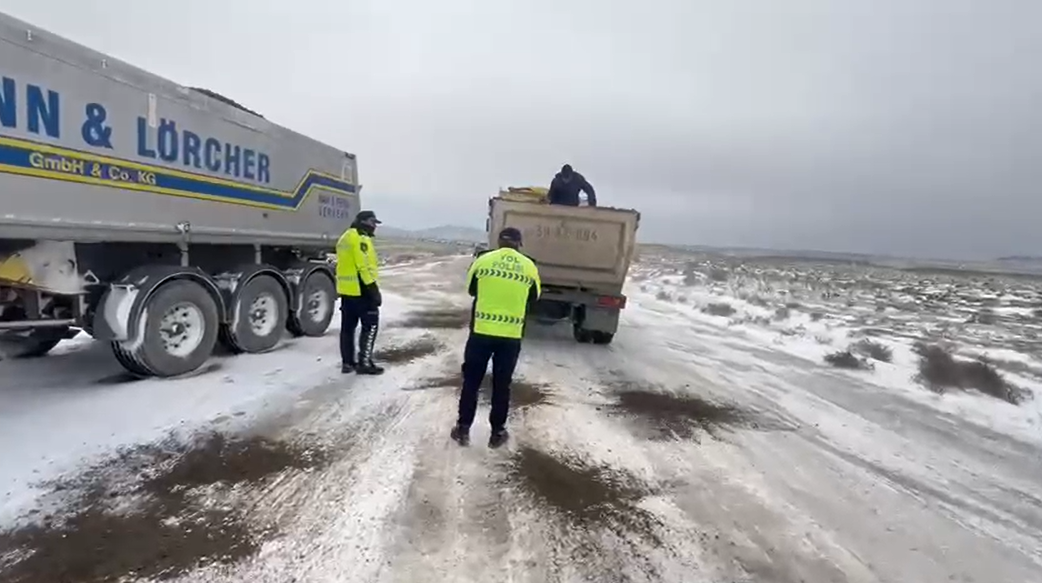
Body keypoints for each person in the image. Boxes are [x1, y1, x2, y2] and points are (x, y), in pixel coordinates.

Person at [451, 227, 541, 448]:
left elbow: (472, 290)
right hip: (510, 337)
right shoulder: (529, 266)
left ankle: (463, 429)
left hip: (481, 332)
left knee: (471, 382)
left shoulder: (483, 260)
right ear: (519, 244)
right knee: (502, 385)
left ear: (499, 242)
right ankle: (497, 433)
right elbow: (534, 297)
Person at [335, 210, 385, 375]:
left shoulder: (345, 237)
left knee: (347, 328)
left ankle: (347, 363)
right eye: (373, 223)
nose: (374, 227)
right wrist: (373, 290)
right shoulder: (360, 238)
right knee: (370, 326)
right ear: (365, 222)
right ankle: (364, 362)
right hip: (362, 290)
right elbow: (362, 266)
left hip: (347, 291)